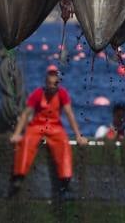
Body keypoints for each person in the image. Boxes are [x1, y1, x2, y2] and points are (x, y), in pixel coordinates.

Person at [9, 65, 85, 198]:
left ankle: (65, 179)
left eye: (55, 84)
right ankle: (18, 176)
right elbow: (26, 114)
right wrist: (17, 133)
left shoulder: (62, 94)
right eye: (50, 83)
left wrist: (78, 136)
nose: (52, 86)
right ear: (45, 82)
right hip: (37, 125)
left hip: (54, 126)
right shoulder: (38, 94)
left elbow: (69, 114)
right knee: (26, 142)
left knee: (63, 143)